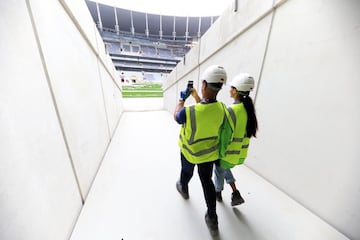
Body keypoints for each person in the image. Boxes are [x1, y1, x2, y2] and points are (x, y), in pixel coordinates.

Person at [174, 65, 232, 234]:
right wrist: (196, 96)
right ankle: (212, 218)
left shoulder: (189, 111)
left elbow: (177, 116)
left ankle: (183, 188)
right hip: (209, 155)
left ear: (204, 84)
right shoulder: (222, 108)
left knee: (186, 172)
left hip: (189, 153)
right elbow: (207, 111)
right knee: (207, 182)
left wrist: (181, 99)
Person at [214, 73, 258, 206]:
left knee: (218, 171)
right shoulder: (248, 109)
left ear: (236, 90)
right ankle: (235, 193)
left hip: (227, 153)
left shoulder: (232, 110)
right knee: (225, 169)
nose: (229, 90)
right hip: (239, 154)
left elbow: (225, 136)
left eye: (231, 87)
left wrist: (219, 154)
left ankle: (218, 192)